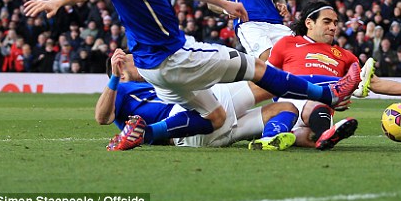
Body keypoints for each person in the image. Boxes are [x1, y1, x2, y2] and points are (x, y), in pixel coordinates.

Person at [24, 0, 360, 151]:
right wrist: (56, 1)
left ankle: (146, 134)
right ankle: (327, 92)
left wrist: (224, 3)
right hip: (174, 56)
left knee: (214, 117)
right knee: (258, 68)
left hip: (154, 68)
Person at [268, 1, 401, 149]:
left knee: (309, 136)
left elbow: (375, 83)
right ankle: (317, 133)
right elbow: (266, 78)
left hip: (321, 113)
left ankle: (289, 135)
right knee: (314, 106)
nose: (333, 27)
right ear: (309, 23)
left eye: (335, 23)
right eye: (327, 22)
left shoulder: (345, 56)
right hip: (290, 102)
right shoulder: (287, 43)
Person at [97, 49, 299, 151]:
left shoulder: (153, 82)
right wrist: (114, 78)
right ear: (121, 74)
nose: (138, 61)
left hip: (198, 138)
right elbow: (102, 118)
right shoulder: (121, 88)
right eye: (132, 60)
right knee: (264, 82)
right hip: (185, 121)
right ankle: (318, 83)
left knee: (286, 108)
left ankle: (268, 140)